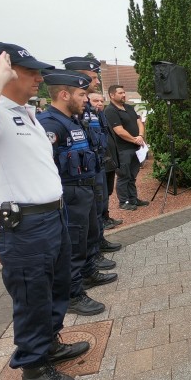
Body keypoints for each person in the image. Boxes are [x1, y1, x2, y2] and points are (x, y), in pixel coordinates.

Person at [0, 43, 89, 380]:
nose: (40, 78)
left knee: (55, 288)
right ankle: (34, 366)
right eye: (30, 71)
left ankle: (49, 344)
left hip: (52, 216)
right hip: (24, 226)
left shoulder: (25, 112)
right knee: (32, 296)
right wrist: (1, 73)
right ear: (1, 73)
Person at [38, 69, 118, 316]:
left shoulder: (72, 120)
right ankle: (73, 295)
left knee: (85, 236)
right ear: (64, 94)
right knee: (73, 243)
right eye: (82, 94)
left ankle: (87, 273)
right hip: (69, 191)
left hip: (84, 187)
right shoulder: (50, 124)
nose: (87, 99)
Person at [63, 57, 121, 263]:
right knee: (86, 216)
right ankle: (90, 257)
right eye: (93, 77)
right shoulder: (71, 112)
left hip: (97, 165)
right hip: (80, 173)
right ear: (78, 77)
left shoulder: (90, 110)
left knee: (99, 208)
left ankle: (97, 246)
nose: (97, 82)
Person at [104, 84, 148, 210]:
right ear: (112, 95)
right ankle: (124, 202)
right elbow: (119, 131)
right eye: (120, 93)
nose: (124, 95)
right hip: (122, 150)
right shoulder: (110, 111)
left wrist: (140, 135)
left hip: (135, 148)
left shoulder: (129, 107)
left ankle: (133, 199)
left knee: (132, 175)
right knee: (123, 176)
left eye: (124, 92)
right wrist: (135, 140)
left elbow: (139, 122)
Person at [89, 92, 122, 230]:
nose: (100, 103)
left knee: (107, 191)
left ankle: (106, 216)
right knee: (100, 193)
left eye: (102, 101)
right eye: (95, 100)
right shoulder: (87, 119)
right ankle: (102, 220)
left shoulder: (102, 116)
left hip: (109, 161)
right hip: (98, 163)